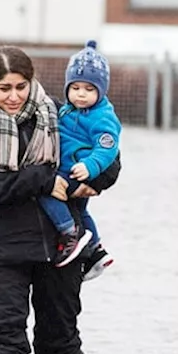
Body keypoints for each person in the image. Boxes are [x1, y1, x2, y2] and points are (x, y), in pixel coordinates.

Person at [0, 45, 119, 354]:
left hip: (61, 249)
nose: (14, 97)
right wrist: (43, 180)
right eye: (4, 88)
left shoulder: (59, 113)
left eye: (21, 87)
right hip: (2, 250)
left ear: (32, 83)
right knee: (3, 332)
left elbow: (108, 154)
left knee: (60, 335)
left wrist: (98, 180)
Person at [37, 40, 121, 279]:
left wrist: (90, 166)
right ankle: (96, 249)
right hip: (70, 166)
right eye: (75, 88)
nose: (81, 94)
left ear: (101, 90)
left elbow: (108, 147)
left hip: (76, 170)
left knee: (46, 193)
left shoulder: (103, 117)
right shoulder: (66, 110)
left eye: (88, 89)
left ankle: (69, 233)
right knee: (81, 210)